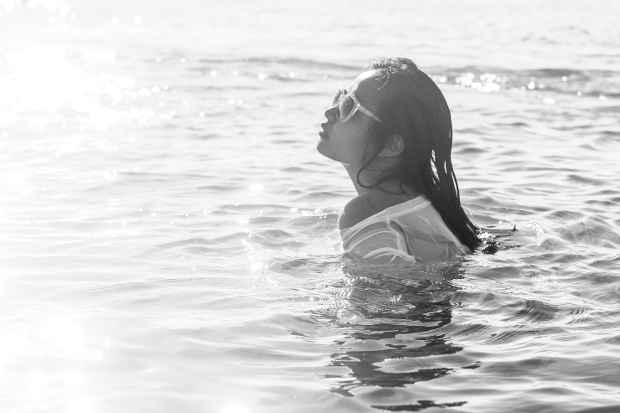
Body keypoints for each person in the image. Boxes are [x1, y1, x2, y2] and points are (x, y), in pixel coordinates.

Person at [317, 57, 481, 265]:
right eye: (340, 98)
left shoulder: (368, 213)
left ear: (390, 146)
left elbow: (386, 290)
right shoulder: (424, 207)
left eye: (349, 106)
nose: (330, 112)